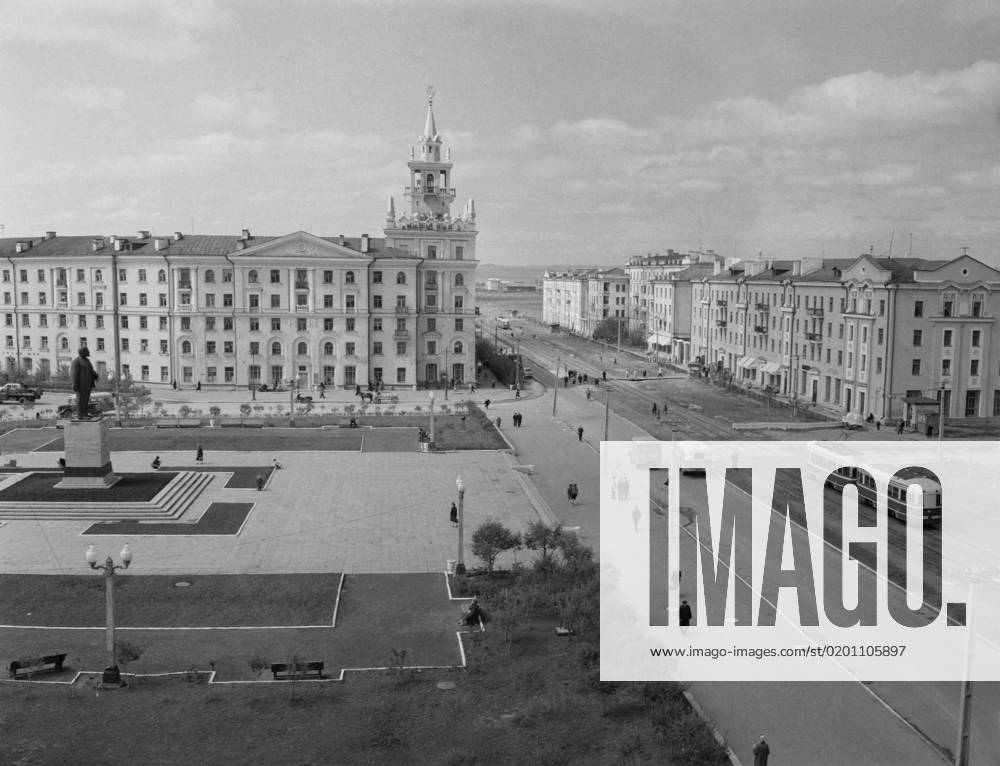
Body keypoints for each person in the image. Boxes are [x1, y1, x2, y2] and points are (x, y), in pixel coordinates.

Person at [70, 346, 98, 420]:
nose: (89, 352)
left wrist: (95, 375)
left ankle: (85, 413)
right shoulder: (76, 361)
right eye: (87, 351)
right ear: (83, 352)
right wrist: (75, 384)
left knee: (86, 400)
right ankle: (80, 415)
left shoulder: (87, 360)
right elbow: (74, 374)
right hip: (81, 385)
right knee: (80, 400)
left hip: (88, 384)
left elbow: (91, 370)